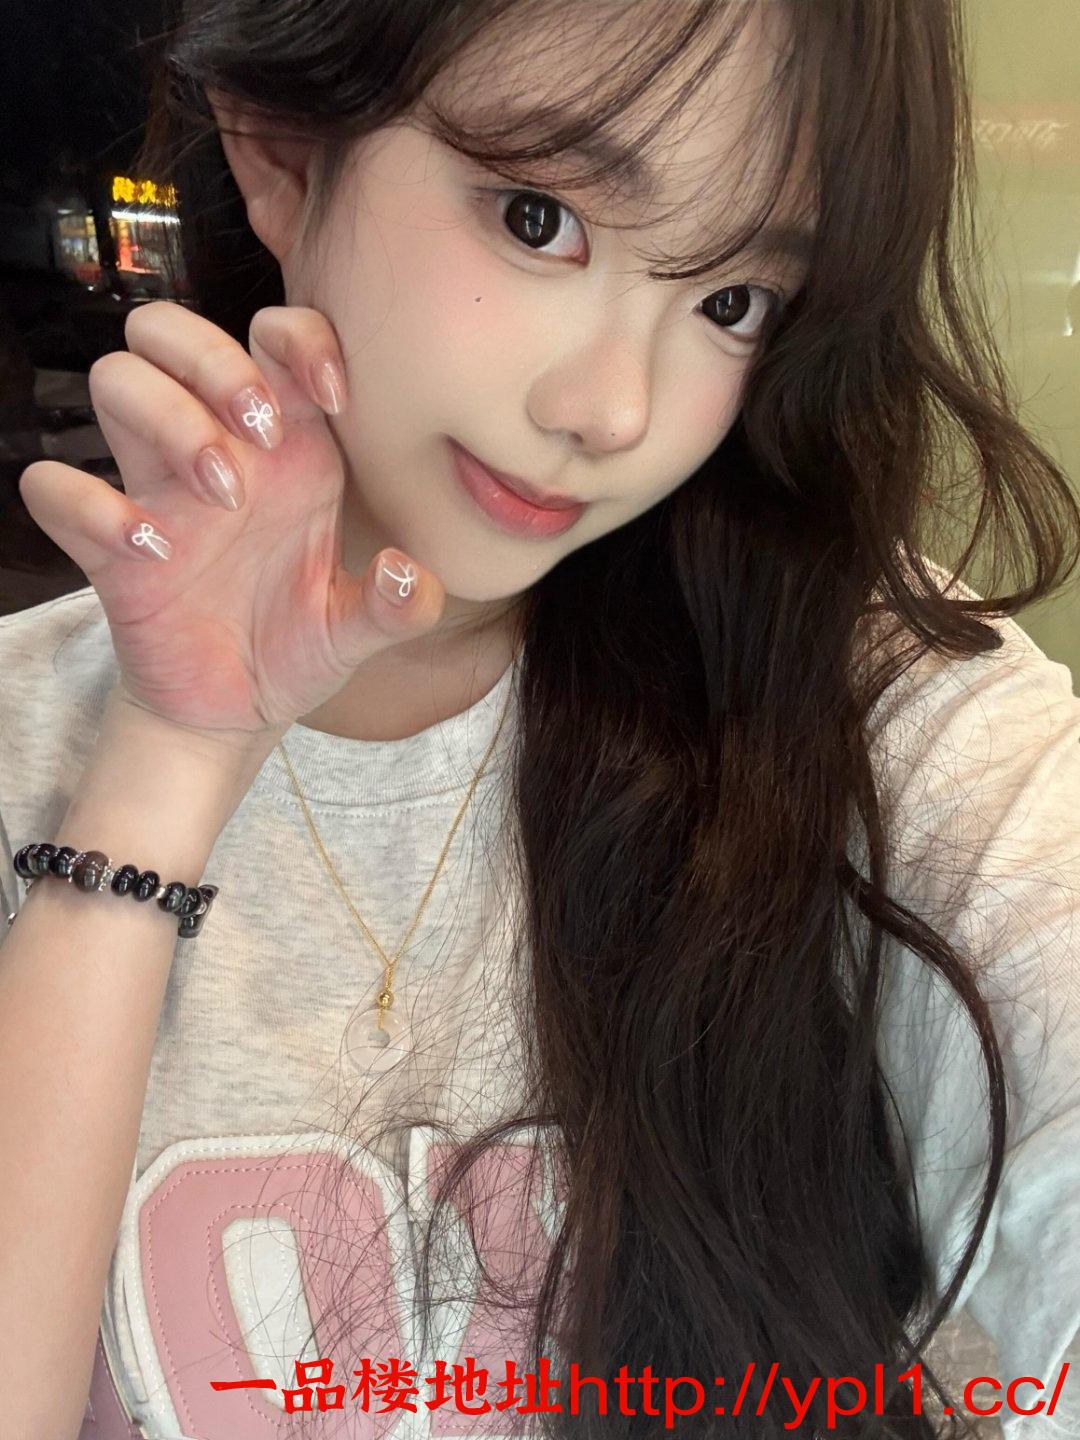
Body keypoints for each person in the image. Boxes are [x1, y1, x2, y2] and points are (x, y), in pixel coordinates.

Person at [1, 2, 1078, 1437]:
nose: (613, 410)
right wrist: (166, 764)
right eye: (538, 219)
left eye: (733, 300)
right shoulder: (28, 738)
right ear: (285, 154)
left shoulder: (862, 693)